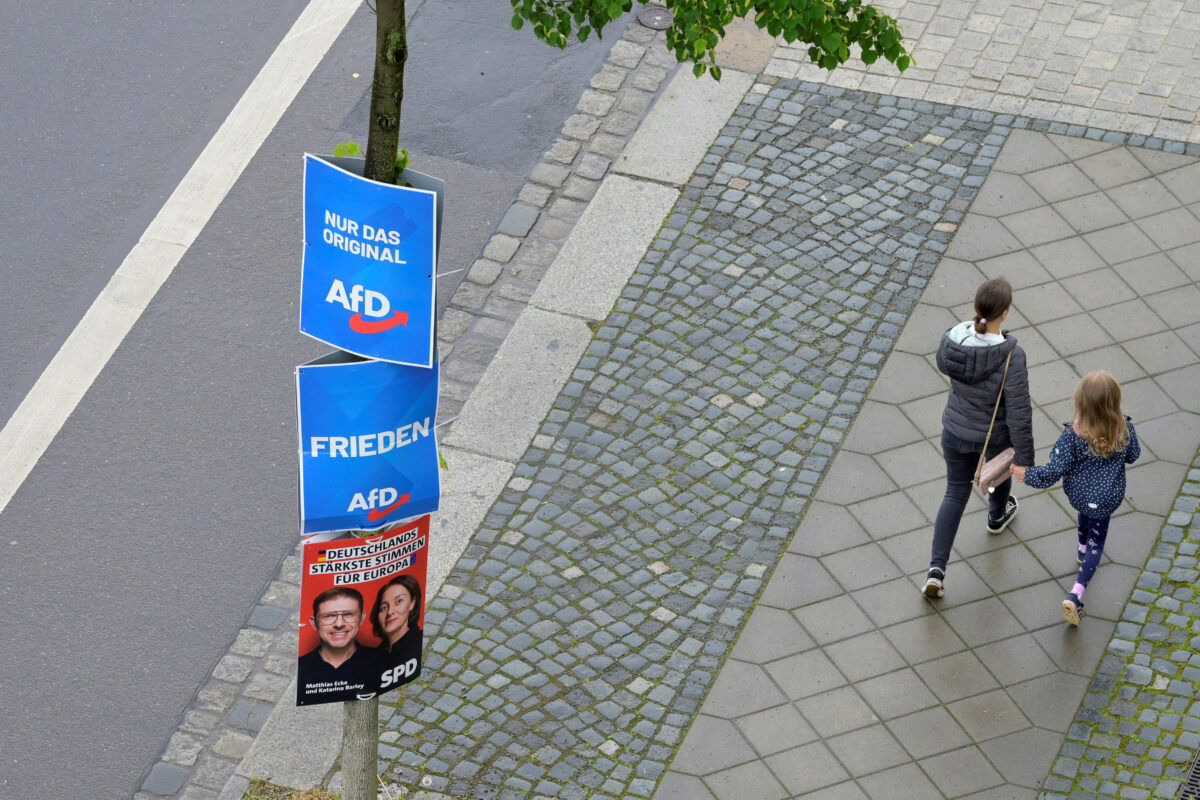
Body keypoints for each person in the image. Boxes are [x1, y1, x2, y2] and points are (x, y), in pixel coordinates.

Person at [924, 277, 1035, 599]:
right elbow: (1018, 412)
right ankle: (997, 516)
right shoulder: (1012, 356)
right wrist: (1025, 459)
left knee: (954, 493)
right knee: (999, 474)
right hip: (994, 434)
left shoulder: (953, 339)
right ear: (1006, 312)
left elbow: (945, 365)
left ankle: (936, 570)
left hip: (956, 430)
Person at [1013, 371, 1140, 626]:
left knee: (1085, 515)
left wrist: (1027, 475)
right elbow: (1133, 455)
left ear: (1080, 403)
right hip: (1106, 499)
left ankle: (1079, 563)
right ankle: (1078, 588)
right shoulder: (1123, 428)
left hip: (1080, 495)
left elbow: (1054, 470)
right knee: (1098, 543)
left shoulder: (1073, 435)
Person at [297, 586, 378, 705]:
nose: (339, 624)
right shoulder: (300, 669)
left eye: (349, 614)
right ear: (314, 623)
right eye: (329, 616)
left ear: (362, 617)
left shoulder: (383, 660)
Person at [369, 575, 423, 692]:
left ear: (412, 603)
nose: (390, 612)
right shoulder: (373, 656)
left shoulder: (418, 643)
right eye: (383, 607)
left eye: (398, 601)